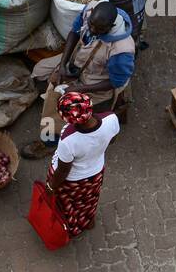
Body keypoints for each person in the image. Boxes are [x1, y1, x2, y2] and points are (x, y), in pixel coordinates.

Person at [23, 1, 135, 159]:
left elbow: (115, 83)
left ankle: (50, 141)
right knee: (40, 71)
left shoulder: (122, 50)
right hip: (77, 63)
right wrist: (62, 65)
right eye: (91, 25)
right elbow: (74, 33)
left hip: (97, 82)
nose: (93, 30)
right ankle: (54, 99)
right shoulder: (89, 11)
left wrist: (79, 90)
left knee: (57, 101)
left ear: (110, 26)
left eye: (99, 29)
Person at [45, 90, 120, 236]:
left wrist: (51, 186)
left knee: (68, 204)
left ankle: (71, 228)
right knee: (89, 199)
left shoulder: (68, 139)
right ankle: (88, 222)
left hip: (71, 181)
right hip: (95, 174)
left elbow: (63, 170)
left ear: (67, 119)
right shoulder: (111, 119)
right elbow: (112, 140)